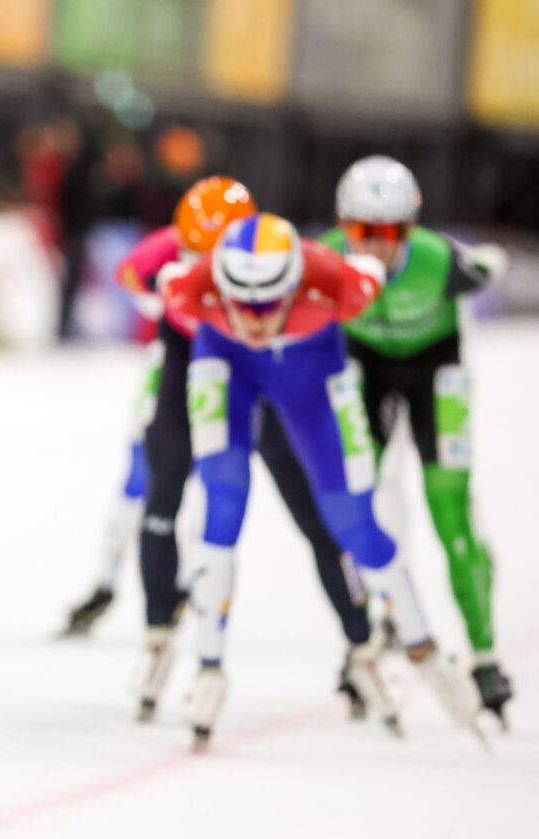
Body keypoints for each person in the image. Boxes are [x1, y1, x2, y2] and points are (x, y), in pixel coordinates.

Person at [60, 178, 380, 727]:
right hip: (192, 365)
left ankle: (360, 643)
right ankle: (158, 639)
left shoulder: (272, 257)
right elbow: (130, 273)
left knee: (315, 517)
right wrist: (161, 289)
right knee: (161, 498)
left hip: (262, 376)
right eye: (192, 253)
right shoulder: (168, 253)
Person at [158, 212, 482, 747]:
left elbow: (387, 264)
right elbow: (152, 279)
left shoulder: (341, 282)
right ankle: (208, 666)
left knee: (353, 524)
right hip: (229, 371)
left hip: (314, 382)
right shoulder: (194, 290)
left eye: (268, 304)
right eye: (242, 302)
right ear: (221, 287)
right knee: (222, 501)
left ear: (294, 286)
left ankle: (424, 649)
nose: (256, 319)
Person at [322, 156, 512, 724]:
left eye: (388, 233)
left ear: (411, 229)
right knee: (360, 502)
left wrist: (489, 263)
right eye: (361, 231)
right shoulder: (327, 258)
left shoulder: (439, 261)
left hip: (435, 371)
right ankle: (371, 633)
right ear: (341, 223)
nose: (374, 246)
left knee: (449, 510)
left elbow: (489, 267)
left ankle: (484, 654)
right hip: (366, 365)